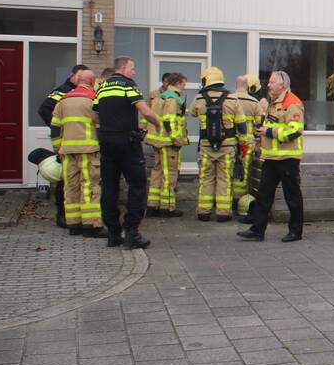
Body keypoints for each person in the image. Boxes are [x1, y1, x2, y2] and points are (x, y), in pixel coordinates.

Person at [94, 56, 159, 249]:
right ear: (122, 68)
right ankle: (132, 233)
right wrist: (159, 124)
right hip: (127, 143)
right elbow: (145, 111)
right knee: (137, 185)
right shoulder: (128, 85)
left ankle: (113, 234)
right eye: (132, 68)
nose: (134, 71)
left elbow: (96, 112)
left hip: (106, 142)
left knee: (110, 187)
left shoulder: (103, 88)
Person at [238, 70, 304, 242]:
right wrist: (261, 139)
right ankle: (257, 230)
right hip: (271, 158)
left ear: (282, 85)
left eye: (272, 82)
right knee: (263, 194)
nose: (268, 84)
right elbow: (269, 126)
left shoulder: (293, 103)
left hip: (288, 159)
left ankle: (296, 231)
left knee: (292, 196)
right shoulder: (272, 103)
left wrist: (270, 132)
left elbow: (295, 130)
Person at [49, 70, 106, 239]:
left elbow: (55, 127)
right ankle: (91, 225)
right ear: (92, 81)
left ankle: (73, 224)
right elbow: (100, 126)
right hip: (88, 151)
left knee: (71, 186)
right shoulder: (93, 99)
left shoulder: (63, 100)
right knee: (89, 186)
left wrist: (57, 149)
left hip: (67, 151)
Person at [38, 63, 89, 228]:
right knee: (65, 180)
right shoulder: (63, 91)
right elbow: (44, 109)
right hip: (66, 144)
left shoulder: (80, 91)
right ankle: (62, 214)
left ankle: (76, 215)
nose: (81, 80)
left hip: (79, 144)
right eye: (79, 77)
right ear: (73, 76)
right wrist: (59, 129)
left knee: (77, 181)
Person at [189, 66, 242, 222]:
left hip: (206, 146)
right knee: (225, 178)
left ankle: (204, 211)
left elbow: (192, 113)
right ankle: (223, 213)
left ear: (207, 79)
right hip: (227, 146)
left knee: (206, 177)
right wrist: (244, 143)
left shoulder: (199, 98)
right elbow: (241, 123)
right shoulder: (232, 99)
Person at [145, 73, 188, 217]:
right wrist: (177, 139)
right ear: (177, 83)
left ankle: (152, 205)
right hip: (168, 142)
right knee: (169, 174)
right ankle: (167, 207)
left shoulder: (159, 97)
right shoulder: (172, 98)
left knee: (157, 172)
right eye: (183, 84)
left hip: (157, 141)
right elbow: (170, 122)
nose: (184, 88)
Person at [232, 73, 266, 211]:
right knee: (242, 174)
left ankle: (224, 201)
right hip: (246, 144)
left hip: (228, 142)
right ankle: (238, 201)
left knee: (226, 173)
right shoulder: (255, 103)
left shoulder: (228, 99)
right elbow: (259, 127)